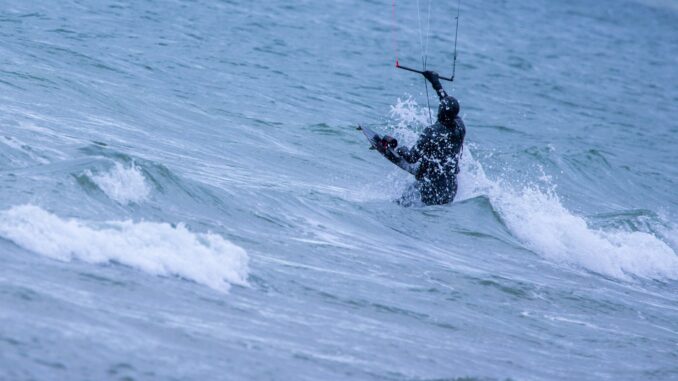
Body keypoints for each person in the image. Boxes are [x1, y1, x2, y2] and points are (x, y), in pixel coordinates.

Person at [383, 70, 466, 205]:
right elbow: (446, 101)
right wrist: (435, 82)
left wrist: (401, 149)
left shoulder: (431, 133)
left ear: (439, 111)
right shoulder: (460, 126)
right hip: (450, 188)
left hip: (429, 188)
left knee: (399, 204)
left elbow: (411, 158)